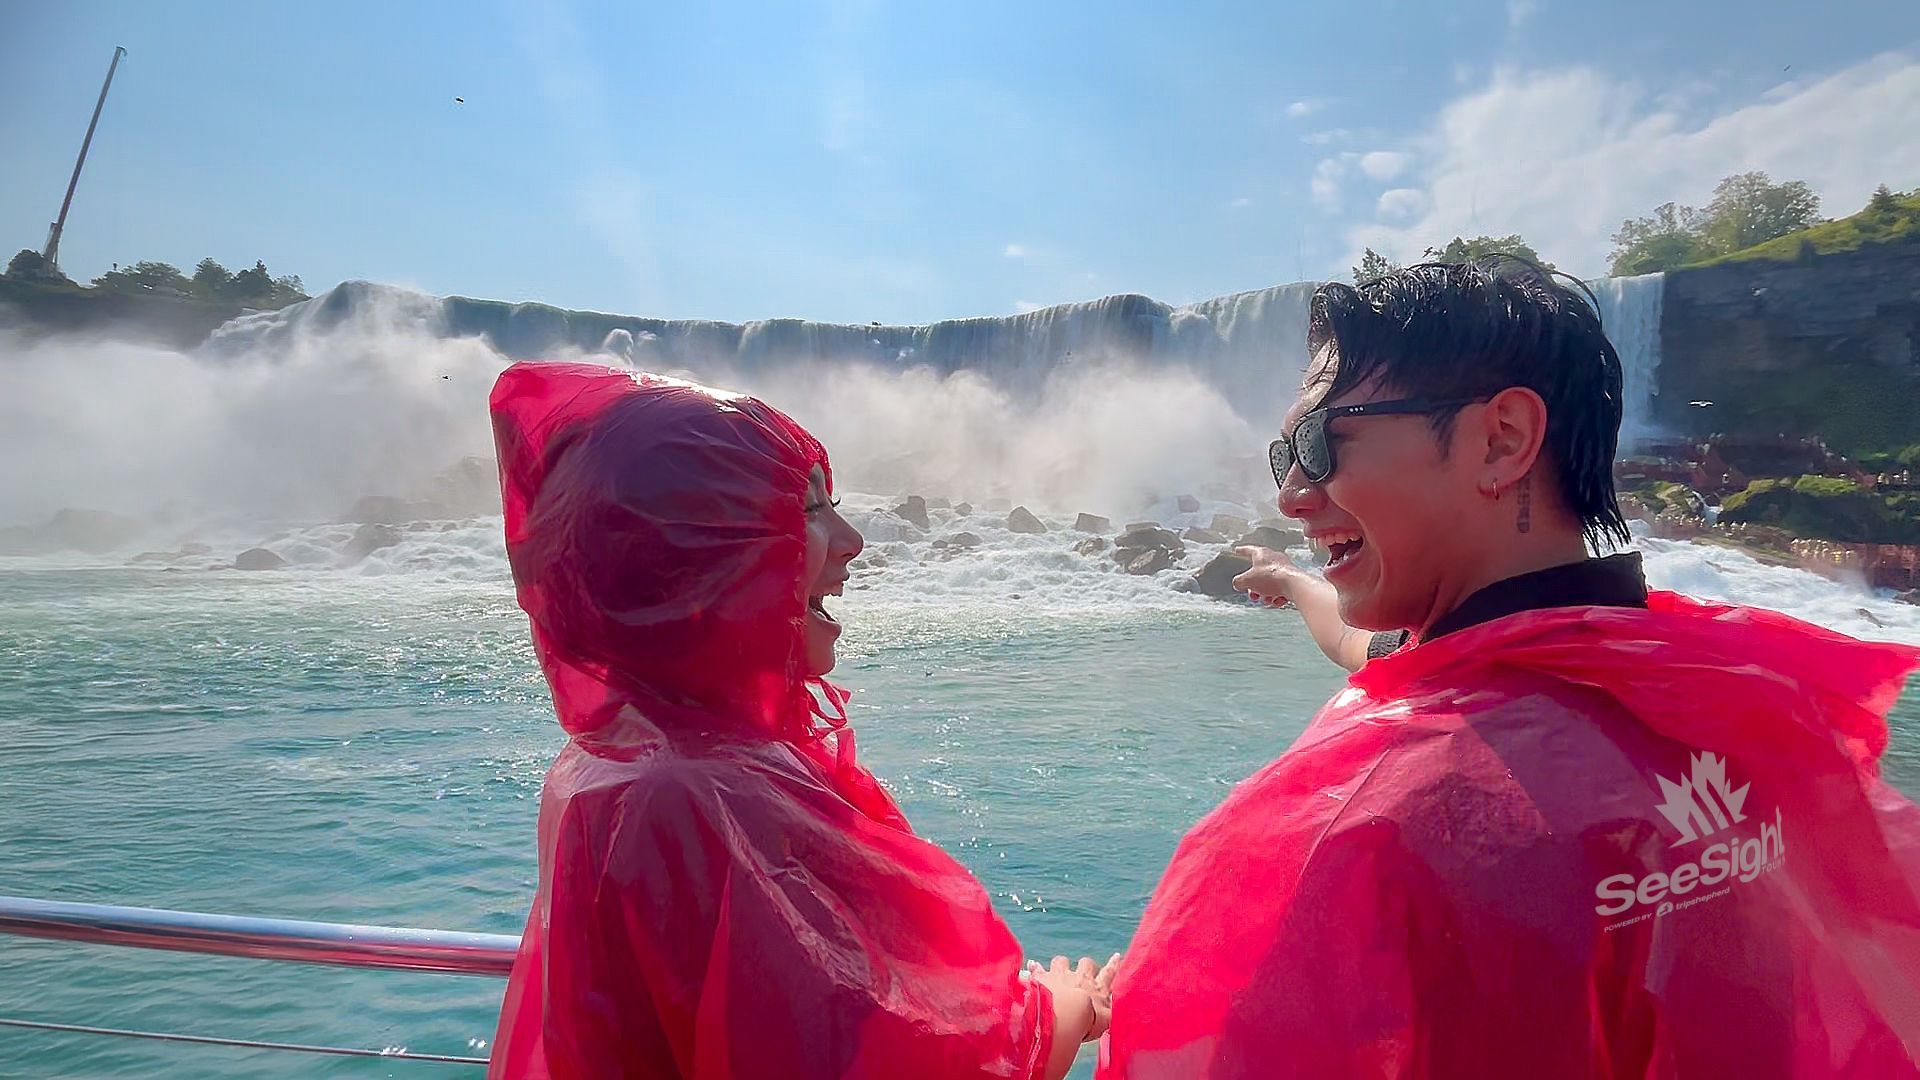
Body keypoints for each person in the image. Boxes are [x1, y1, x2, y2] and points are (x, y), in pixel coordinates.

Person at [1101, 260, 1920, 1078]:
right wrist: (1292, 582)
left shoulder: (1362, 824)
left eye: (1319, 444)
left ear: (1501, 440)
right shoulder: (1721, 698)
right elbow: (1370, 652)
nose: (1290, 495)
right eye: (1284, 457)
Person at [485, 362, 1114, 1079]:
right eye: (806, 511)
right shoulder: (699, 796)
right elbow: (863, 1056)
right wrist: (1062, 1014)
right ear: (703, 555)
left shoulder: (609, 758)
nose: (852, 540)